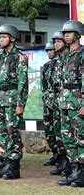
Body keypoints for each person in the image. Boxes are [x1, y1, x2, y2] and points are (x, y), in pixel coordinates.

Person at [0, 24, 28, 180]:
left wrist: (21, 104)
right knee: (1, 132)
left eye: (4, 37)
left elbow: (23, 82)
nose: (1, 39)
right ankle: (6, 161)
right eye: (0, 37)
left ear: (12, 38)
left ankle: (14, 166)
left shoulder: (20, 57)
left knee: (12, 131)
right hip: (0, 97)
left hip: (13, 98)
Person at [57, 20, 83, 187]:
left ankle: (82, 174)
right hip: (65, 102)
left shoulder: (82, 54)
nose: (65, 35)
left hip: (78, 102)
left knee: (81, 138)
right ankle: (74, 171)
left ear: (78, 35)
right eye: (64, 32)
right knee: (68, 138)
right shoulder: (65, 56)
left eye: (69, 32)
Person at [49, 31, 69, 176]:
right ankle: (64, 162)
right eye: (54, 41)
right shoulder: (58, 61)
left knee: (73, 135)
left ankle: (73, 165)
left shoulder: (71, 58)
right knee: (59, 133)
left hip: (71, 101)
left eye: (59, 41)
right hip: (58, 101)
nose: (56, 44)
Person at [41, 41, 59, 166]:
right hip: (47, 101)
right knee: (48, 129)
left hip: (58, 102)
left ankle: (62, 156)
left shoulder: (61, 64)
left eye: (51, 50)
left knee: (59, 129)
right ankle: (55, 153)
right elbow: (43, 85)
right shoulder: (46, 66)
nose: (49, 52)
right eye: (47, 50)